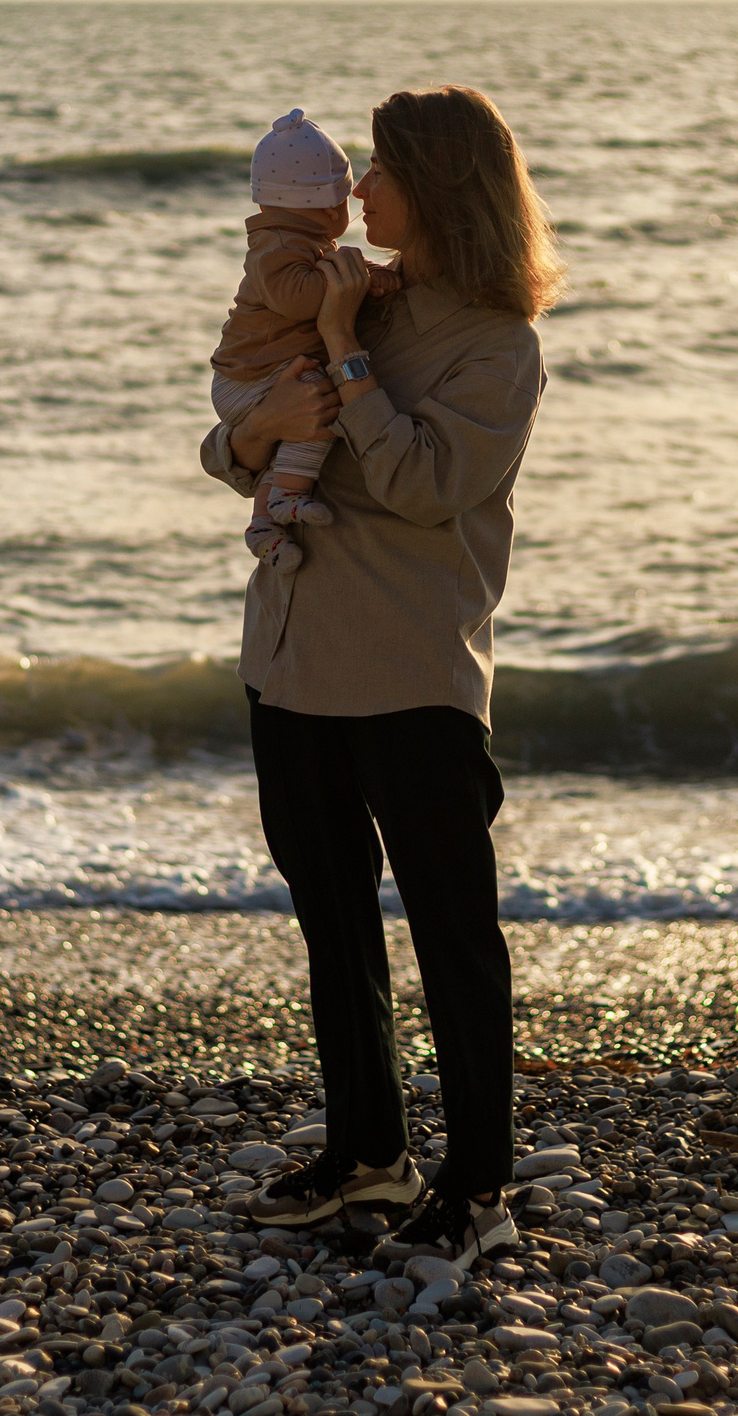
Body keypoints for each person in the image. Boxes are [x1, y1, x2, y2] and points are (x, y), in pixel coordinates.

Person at [197, 84, 562, 1270]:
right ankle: (366, 1155)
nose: (358, 188)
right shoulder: (347, 291)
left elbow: (419, 483)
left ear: (439, 188)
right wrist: (261, 425)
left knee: (454, 936)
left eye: (382, 168)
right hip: (289, 656)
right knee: (333, 921)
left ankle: (479, 1182)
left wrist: (347, 358)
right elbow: (229, 443)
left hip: (411, 676)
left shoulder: (497, 347)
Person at [208, 109, 402, 572]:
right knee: (321, 403)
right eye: (346, 196)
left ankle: (264, 523)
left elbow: (326, 273)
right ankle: (288, 495)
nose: (357, 198)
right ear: (328, 208)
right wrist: (356, 285)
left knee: (301, 423)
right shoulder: (279, 248)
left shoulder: (298, 245)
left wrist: (368, 275)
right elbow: (299, 297)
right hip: (248, 380)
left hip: (256, 378)